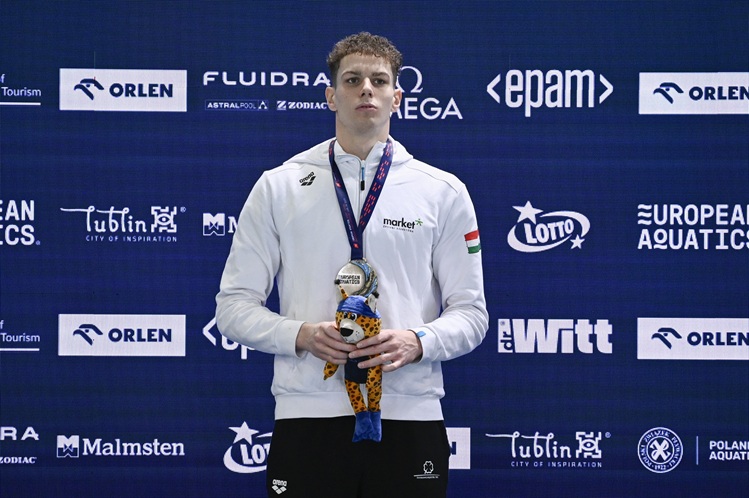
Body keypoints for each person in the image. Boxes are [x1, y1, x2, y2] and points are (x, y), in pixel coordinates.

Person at [216, 32, 488, 498]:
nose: (366, 89)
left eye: (379, 80)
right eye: (352, 79)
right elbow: (233, 307)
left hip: (409, 413)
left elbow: (472, 313)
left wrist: (417, 342)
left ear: (396, 98)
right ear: (330, 96)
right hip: (308, 414)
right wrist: (300, 335)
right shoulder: (278, 187)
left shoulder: (442, 191)